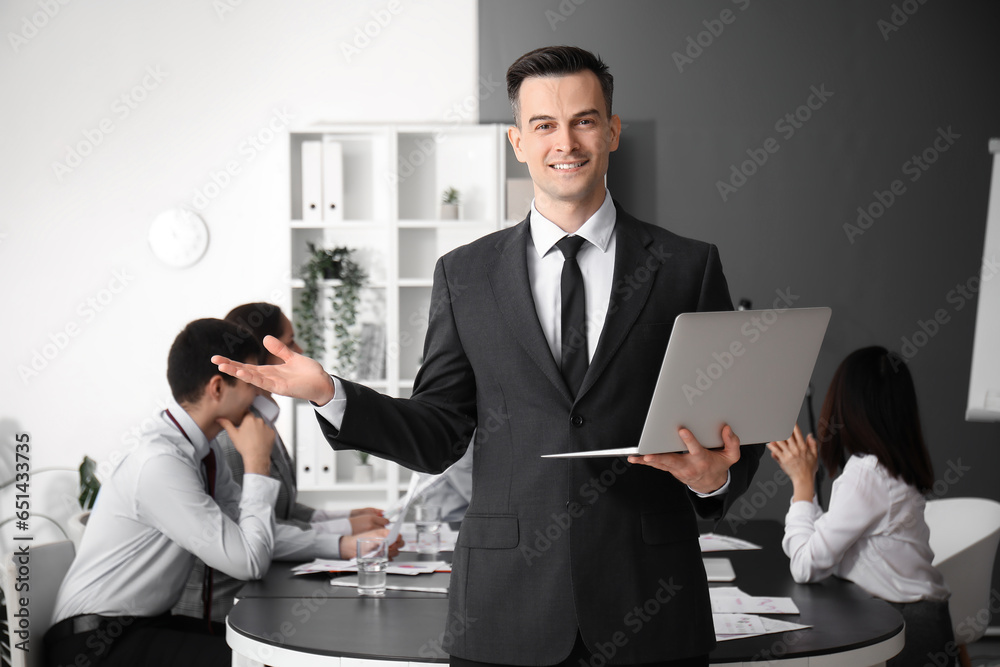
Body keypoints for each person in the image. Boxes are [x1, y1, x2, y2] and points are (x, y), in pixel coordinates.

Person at [214, 46, 765, 666]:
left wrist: (714, 476)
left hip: (650, 603)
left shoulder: (687, 267)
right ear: (517, 141)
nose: (567, 142)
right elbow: (439, 432)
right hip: (505, 610)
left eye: (585, 120)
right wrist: (329, 394)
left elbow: (738, 426)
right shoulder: (466, 275)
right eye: (544, 125)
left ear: (612, 132)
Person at [45, 319, 278, 666]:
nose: (262, 393)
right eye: (253, 381)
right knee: (254, 661)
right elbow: (249, 561)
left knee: (260, 648)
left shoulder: (204, 452)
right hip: (92, 645)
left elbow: (247, 535)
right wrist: (258, 463)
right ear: (218, 387)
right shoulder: (161, 463)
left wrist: (334, 545)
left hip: (140, 627)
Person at [172, 303, 389, 623]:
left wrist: (345, 517)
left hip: (258, 592)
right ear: (259, 358)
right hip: (221, 612)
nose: (299, 352)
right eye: (290, 342)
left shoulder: (262, 420)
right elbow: (252, 531)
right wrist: (343, 537)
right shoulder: (231, 435)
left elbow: (280, 509)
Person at [767, 346, 953, 667]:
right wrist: (807, 484)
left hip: (902, 629)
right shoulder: (887, 469)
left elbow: (805, 564)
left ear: (843, 405)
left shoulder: (866, 476)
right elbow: (831, 543)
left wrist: (802, 483)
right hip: (918, 620)